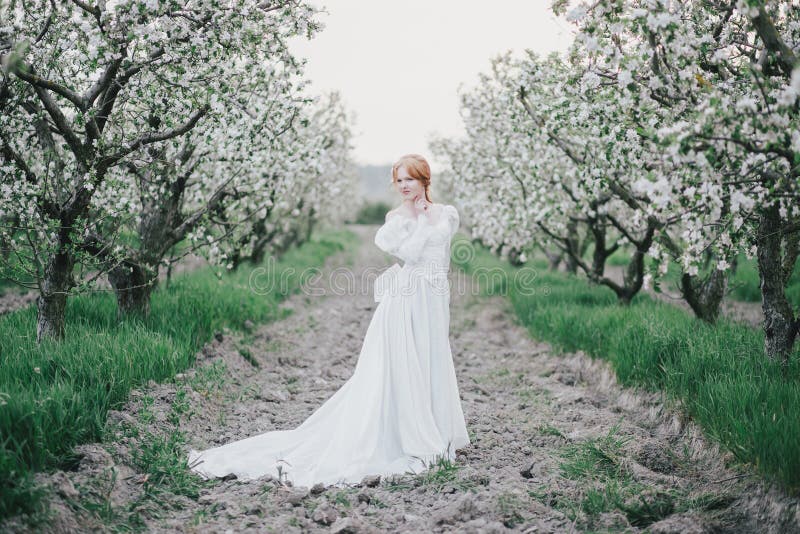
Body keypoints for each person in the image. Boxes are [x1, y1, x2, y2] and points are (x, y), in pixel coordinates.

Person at [187, 153, 471, 488]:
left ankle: (437, 428)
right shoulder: (396, 218)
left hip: (433, 298)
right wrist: (422, 222)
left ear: (425, 178)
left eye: (410, 179)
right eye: (399, 180)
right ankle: (408, 434)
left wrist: (439, 290)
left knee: (431, 360)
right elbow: (408, 254)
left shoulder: (446, 214)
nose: (404, 186)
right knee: (403, 366)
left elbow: (443, 259)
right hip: (405, 300)